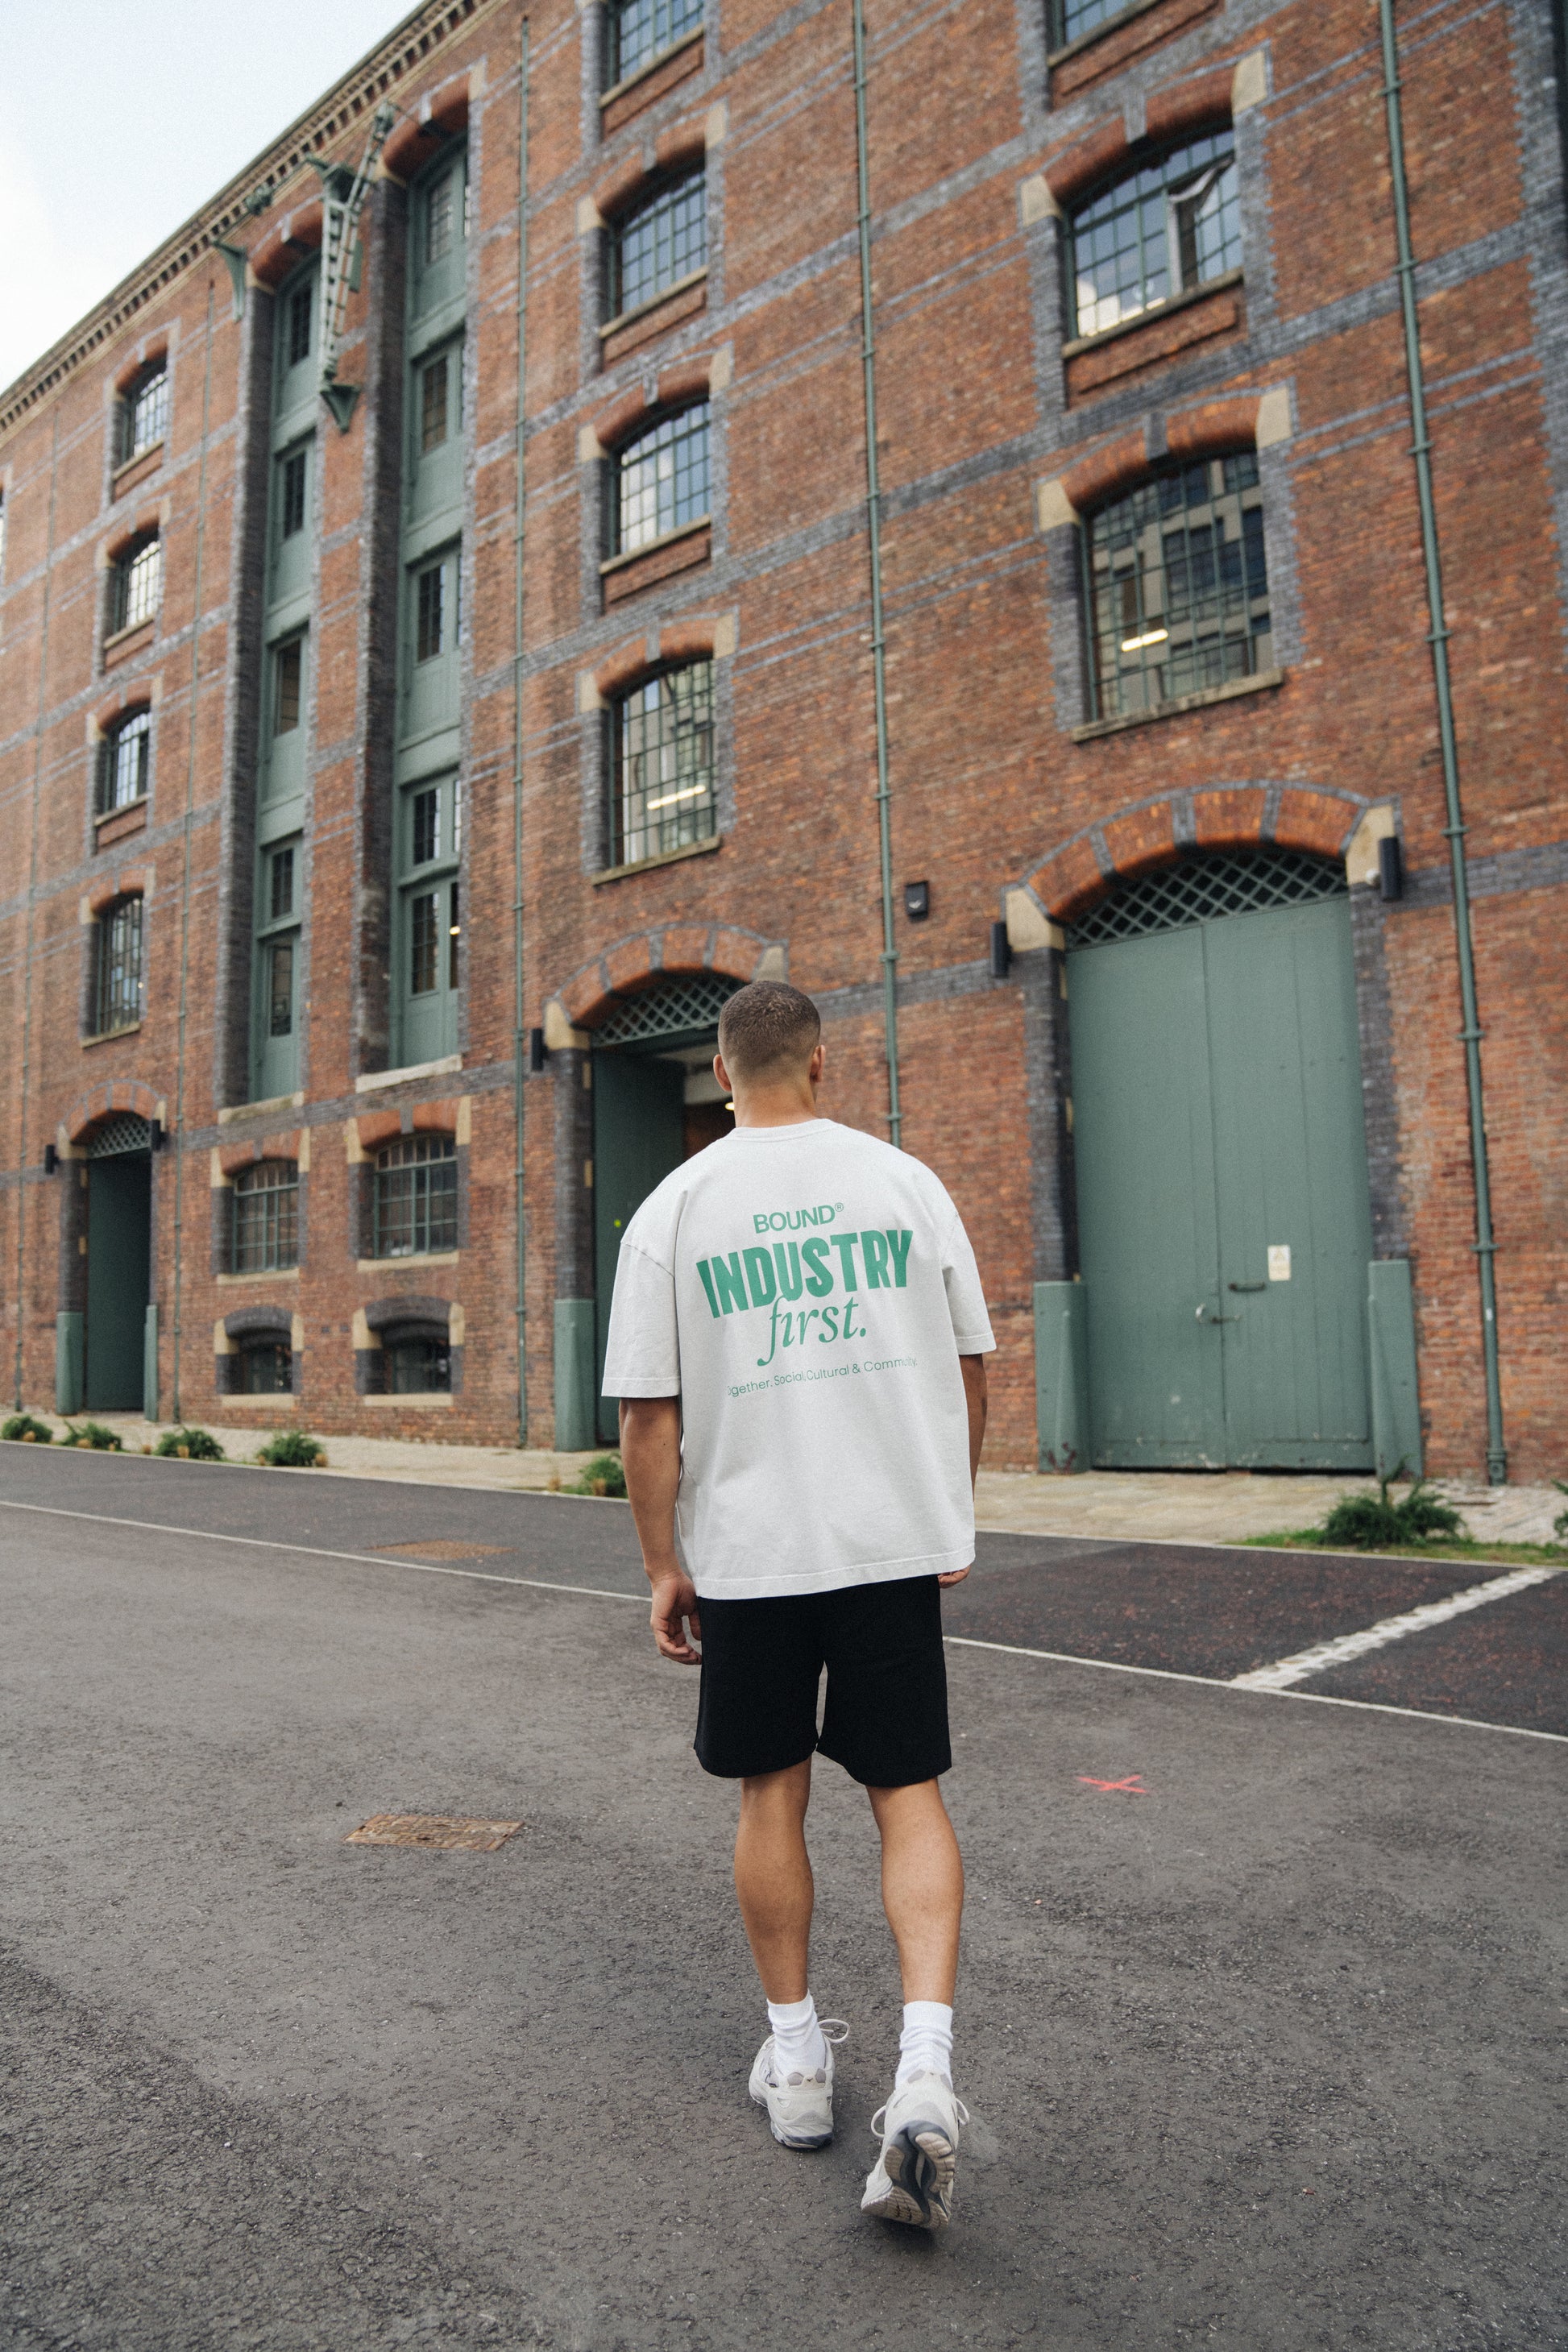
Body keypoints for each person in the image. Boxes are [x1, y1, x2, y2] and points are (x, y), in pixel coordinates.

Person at [603, 978, 994, 2230]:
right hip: (885, 1541)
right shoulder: (903, 1182)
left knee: (770, 1793)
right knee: (907, 1793)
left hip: (752, 1553)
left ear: (721, 1072)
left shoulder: (675, 1208)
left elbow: (648, 1418)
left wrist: (662, 1564)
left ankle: (800, 2061)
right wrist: (946, 1509)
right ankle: (924, 2071)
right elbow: (967, 1366)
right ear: (820, 1064)